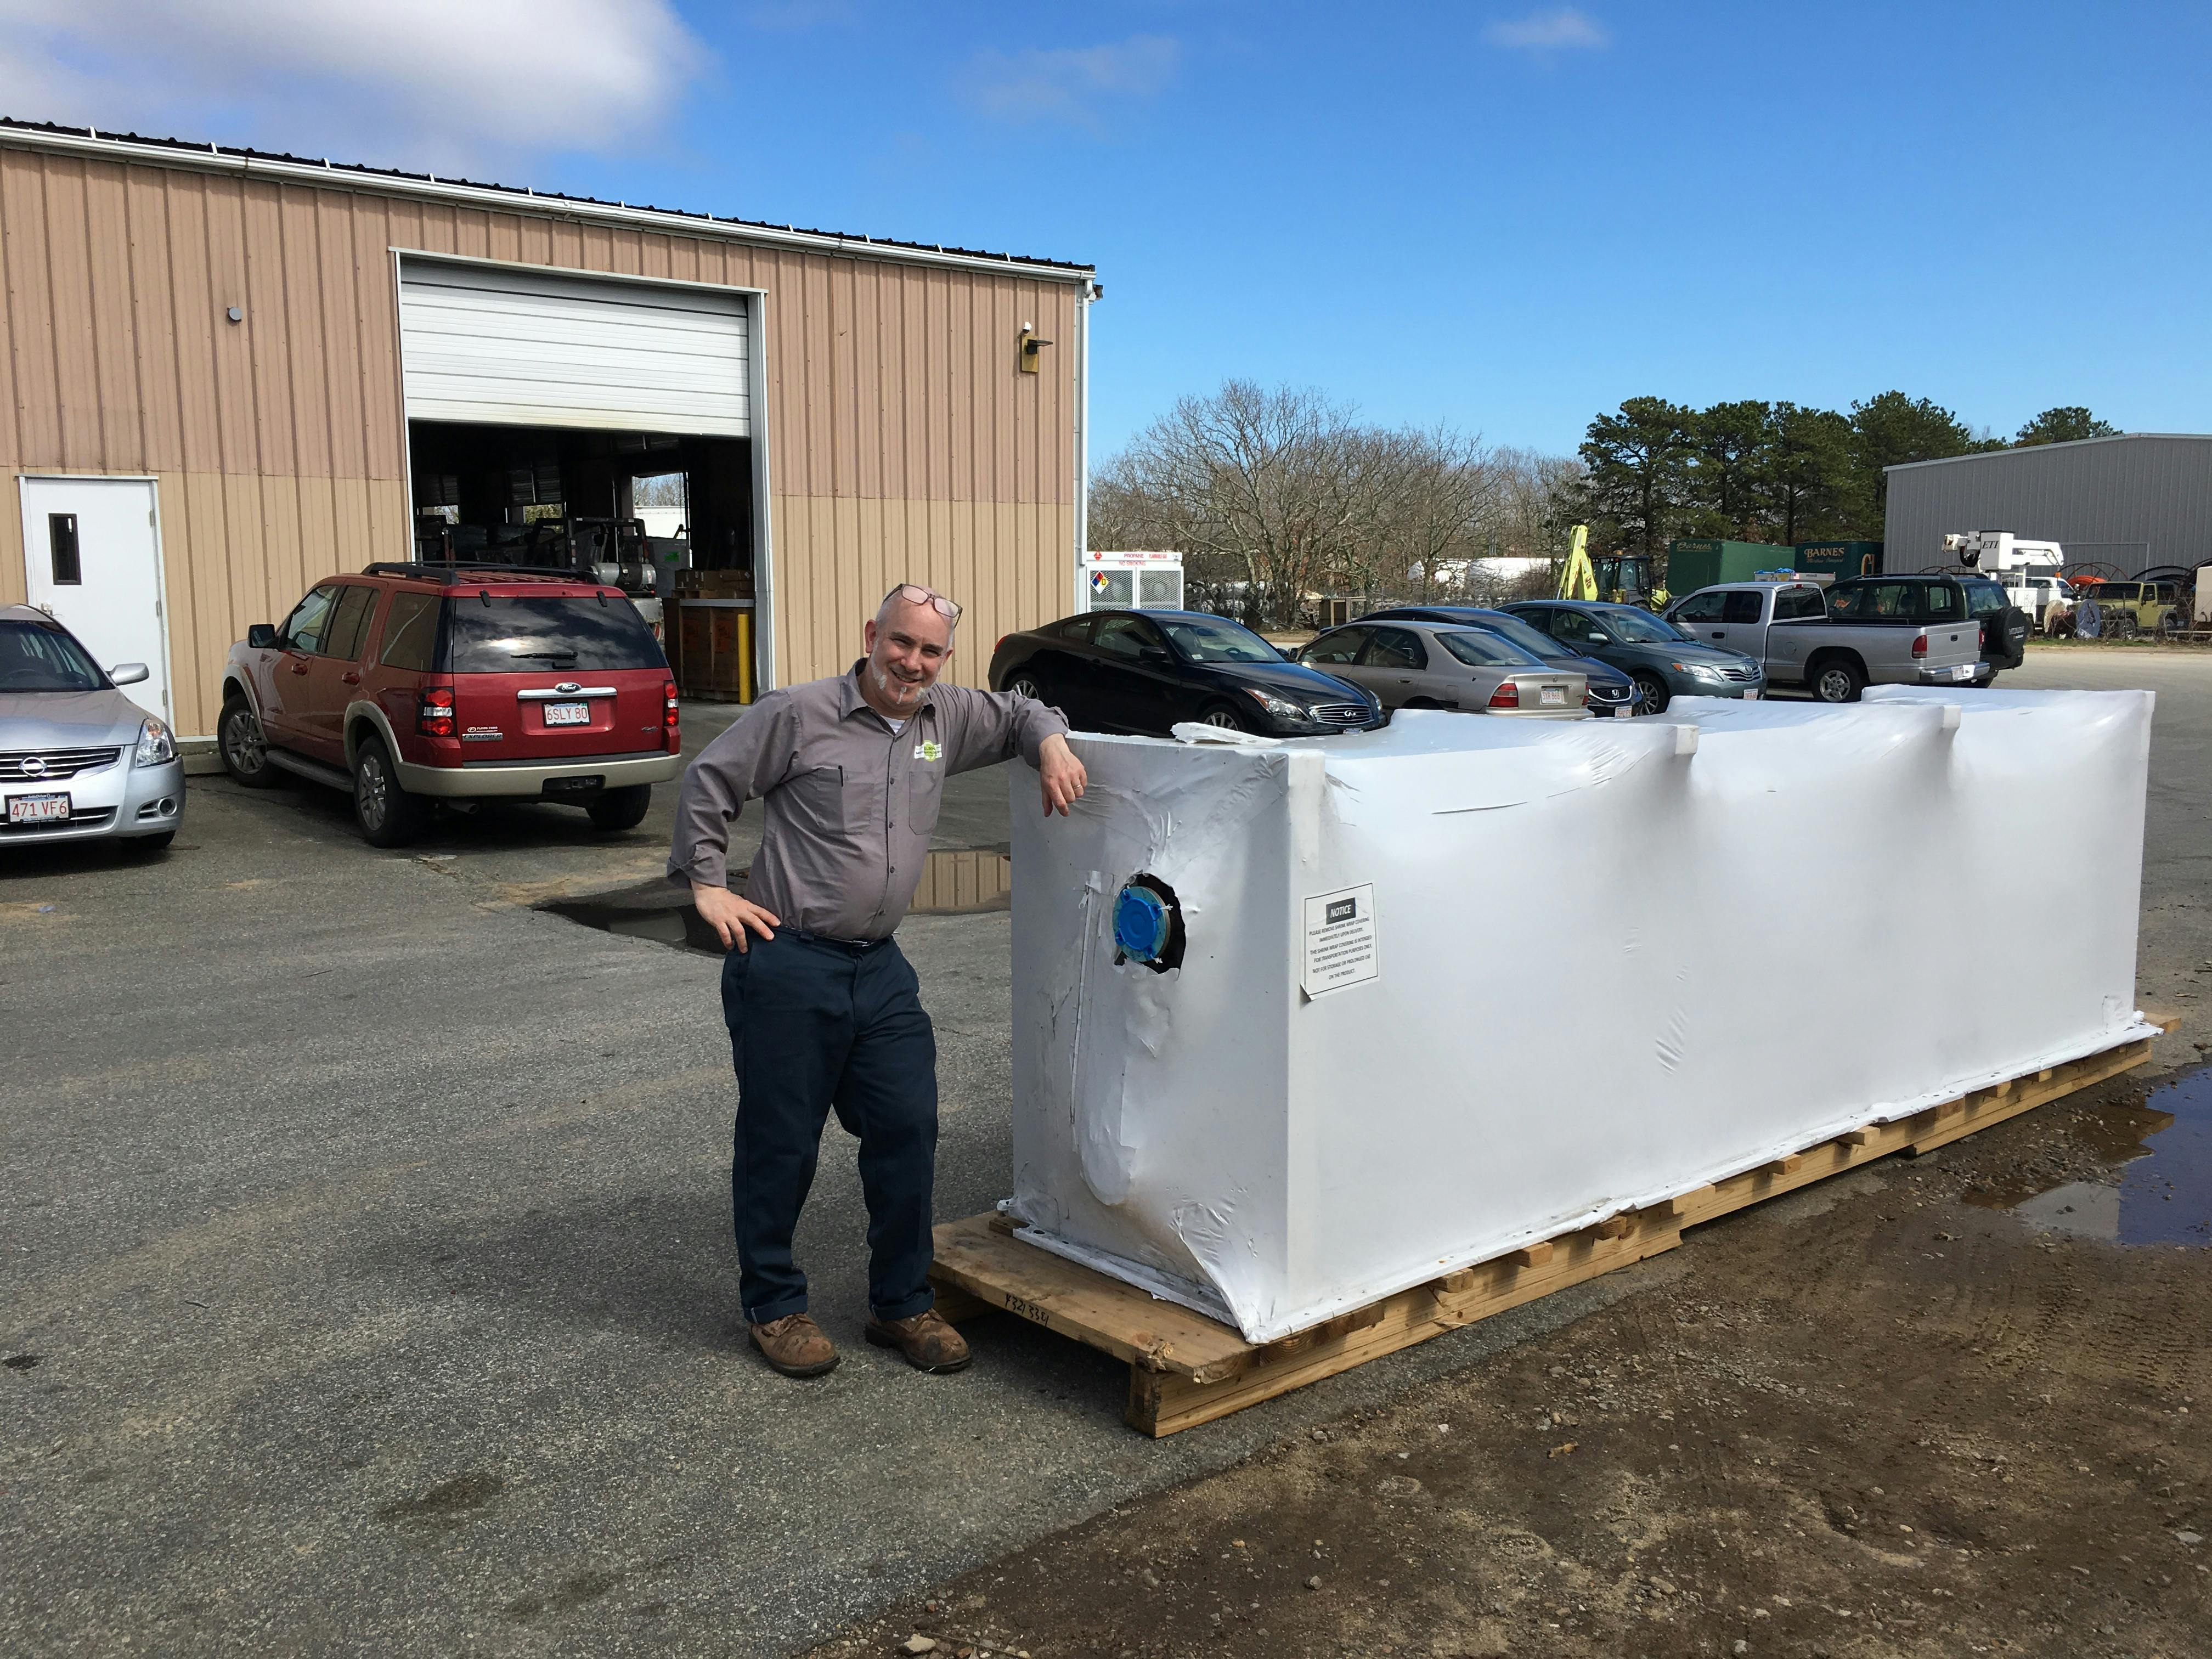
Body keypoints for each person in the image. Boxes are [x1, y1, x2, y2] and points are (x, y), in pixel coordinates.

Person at [668, 582, 1088, 1379]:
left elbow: (1023, 710)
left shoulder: (947, 718)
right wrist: (707, 882)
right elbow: (709, 781)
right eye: (901, 643)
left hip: (880, 968)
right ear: (872, 634)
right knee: (779, 1145)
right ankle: (775, 1306)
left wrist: (1055, 743)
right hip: (788, 961)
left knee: (907, 1128)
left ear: (946, 659)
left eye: (931, 651)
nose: (913, 662)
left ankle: (900, 1304)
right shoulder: (798, 713)